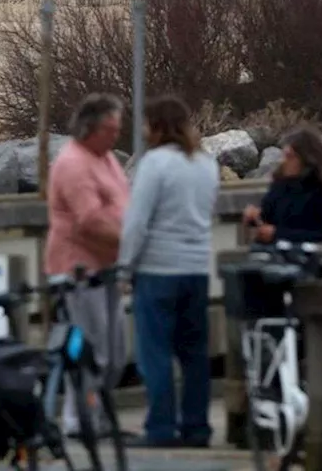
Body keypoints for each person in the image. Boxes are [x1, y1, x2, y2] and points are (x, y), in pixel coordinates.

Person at [118, 95, 219, 449]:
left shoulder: (155, 164)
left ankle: (161, 428)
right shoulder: (206, 164)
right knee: (194, 355)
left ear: (157, 126)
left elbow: (136, 223)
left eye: (147, 123)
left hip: (158, 271)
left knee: (156, 354)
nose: (143, 130)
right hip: (196, 270)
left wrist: (124, 269)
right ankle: (197, 427)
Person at [46, 93, 130, 437]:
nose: (116, 136)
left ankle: (100, 416)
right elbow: (89, 220)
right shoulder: (73, 163)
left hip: (107, 268)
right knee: (90, 347)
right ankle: (78, 419)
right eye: (110, 129)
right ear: (90, 129)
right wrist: (132, 243)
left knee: (115, 349)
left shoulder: (106, 157)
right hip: (78, 269)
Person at [243, 128, 322, 244]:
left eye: (290, 157)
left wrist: (277, 234)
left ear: (306, 159)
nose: (284, 162)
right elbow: (268, 216)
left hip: (306, 255)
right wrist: (255, 217)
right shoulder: (281, 185)